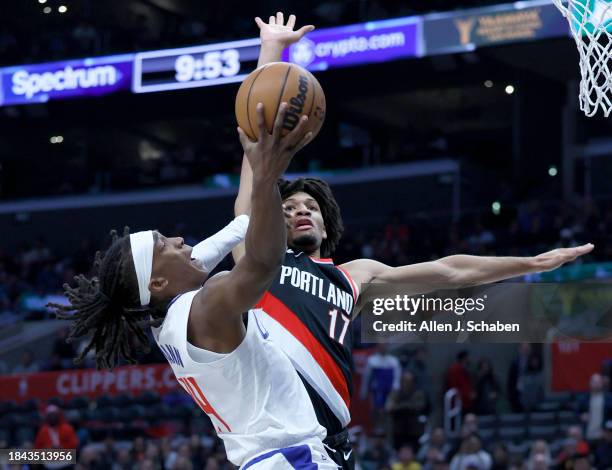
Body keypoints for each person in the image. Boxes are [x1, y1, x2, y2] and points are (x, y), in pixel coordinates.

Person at [233, 57, 594, 470]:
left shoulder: (355, 276)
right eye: (290, 207)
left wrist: (530, 263)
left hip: (332, 443)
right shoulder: (262, 264)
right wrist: (271, 53)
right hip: (281, 439)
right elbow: (250, 189)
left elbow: (448, 271)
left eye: (311, 207)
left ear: (324, 220)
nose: (300, 211)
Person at [50, 37, 337, 467]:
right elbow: (261, 260)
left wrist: (269, 58)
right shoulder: (207, 307)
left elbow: (238, 222)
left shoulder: (169, 309)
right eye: (168, 244)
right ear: (158, 281)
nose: (183, 242)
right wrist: (267, 178)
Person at [34, 405, 79, 470]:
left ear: (58, 416)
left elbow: (74, 444)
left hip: (65, 457)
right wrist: (47, 449)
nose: (53, 417)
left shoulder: (67, 428)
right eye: (50, 415)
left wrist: (62, 448)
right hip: (48, 459)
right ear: (47, 417)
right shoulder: (43, 430)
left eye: (54, 415)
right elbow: (37, 447)